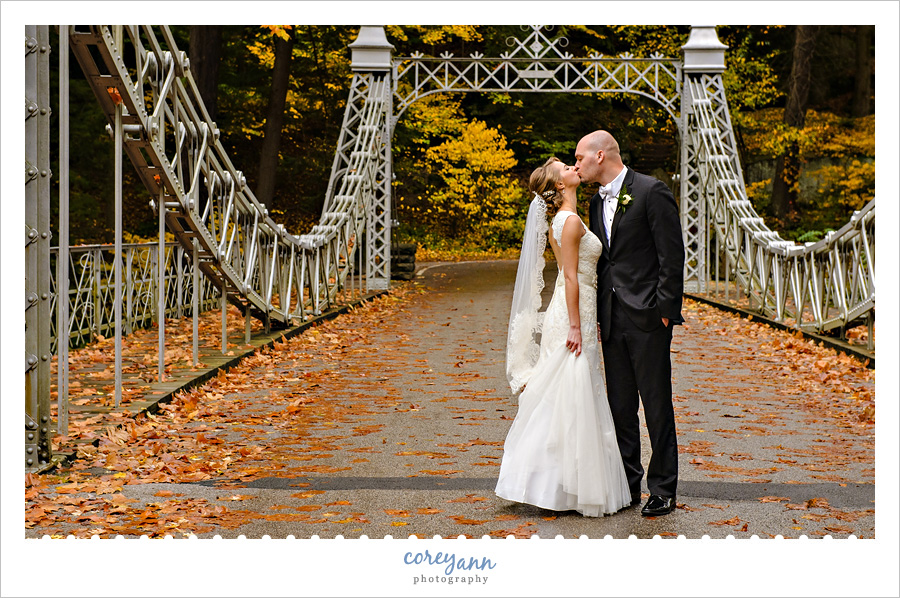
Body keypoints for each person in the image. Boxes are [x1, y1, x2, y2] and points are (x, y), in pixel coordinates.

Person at [495, 157, 631, 517]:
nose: (574, 168)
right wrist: (576, 324)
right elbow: (571, 277)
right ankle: (563, 487)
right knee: (572, 392)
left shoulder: (567, 217)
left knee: (570, 393)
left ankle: (560, 484)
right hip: (574, 310)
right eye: (566, 168)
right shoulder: (568, 222)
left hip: (577, 308)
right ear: (559, 185)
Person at [573, 130, 685, 517]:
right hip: (611, 317)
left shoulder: (652, 191)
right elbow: (607, 261)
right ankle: (628, 483)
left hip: (649, 316)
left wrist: (665, 310)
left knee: (656, 404)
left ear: (600, 155)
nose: (576, 165)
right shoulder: (593, 203)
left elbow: (672, 254)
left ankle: (663, 489)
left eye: (580, 158)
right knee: (620, 405)